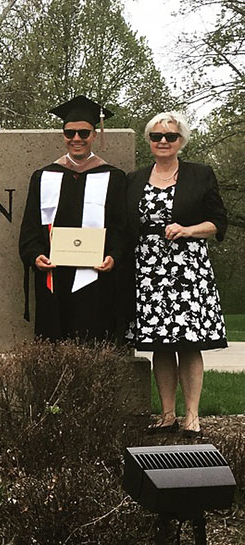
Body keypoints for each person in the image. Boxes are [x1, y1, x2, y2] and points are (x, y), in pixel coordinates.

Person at [125, 112, 228, 438]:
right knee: (160, 344)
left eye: (170, 136)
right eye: (157, 137)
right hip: (149, 270)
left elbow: (218, 223)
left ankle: (192, 416)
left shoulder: (200, 175)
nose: (163, 142)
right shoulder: (136, 179)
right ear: (149, 141)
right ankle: (167, 414)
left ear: (181, 140)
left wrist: (188, 229)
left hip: (187, 270)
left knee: (188, 343)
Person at [19, 95, 127, 341]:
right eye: (70, 133)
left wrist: (114, 256)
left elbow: (121, 228)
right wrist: (35, 256)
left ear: (94, 136)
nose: (76, 139)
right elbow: (30, 227)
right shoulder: (43, 176)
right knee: (53, 340)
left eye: (83, 133)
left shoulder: (113, 178)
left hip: (96, 277)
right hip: (53, 276)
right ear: (63, 135)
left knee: (93, 338)